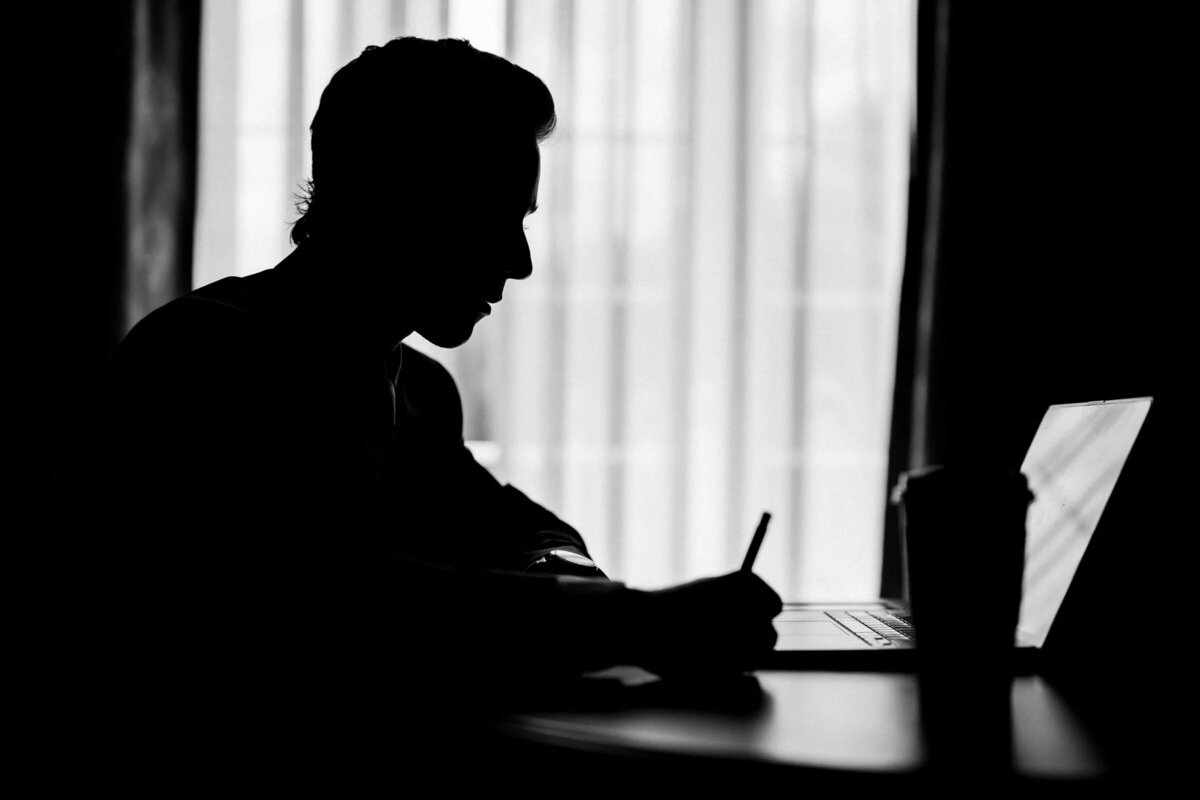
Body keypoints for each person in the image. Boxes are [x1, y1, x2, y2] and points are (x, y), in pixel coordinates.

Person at [74, 36, 781, 775]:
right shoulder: (203, 357)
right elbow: (327, 602)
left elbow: (520, 526)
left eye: (524, 221)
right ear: (396, 198)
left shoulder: (418, 391)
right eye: (495, 216)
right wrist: (638, 619)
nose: (521, 260)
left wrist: (568, 577)